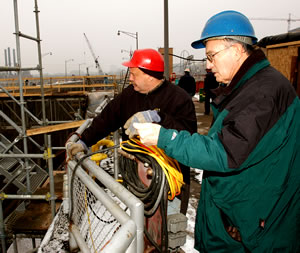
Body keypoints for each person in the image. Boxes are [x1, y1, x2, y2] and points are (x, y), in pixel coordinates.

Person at [131, 10, 300, 252]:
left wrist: (163, 137)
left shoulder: (262, 93)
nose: (208, 65)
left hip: (253, 226)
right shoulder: (249, 86)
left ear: (237, 49)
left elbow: (224, 152)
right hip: (242, 217)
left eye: (211, 56)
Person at [67, 48, 197, 214]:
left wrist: (158, 117)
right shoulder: (129, 96)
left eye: (134, 74)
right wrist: (84, 141)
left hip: (169, 183)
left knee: (167, 230)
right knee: (138, 226)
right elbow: (106, 119)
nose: (130, 78)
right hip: (135, 179)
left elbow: (189, 137)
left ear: (149, 75)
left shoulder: (179, 99)